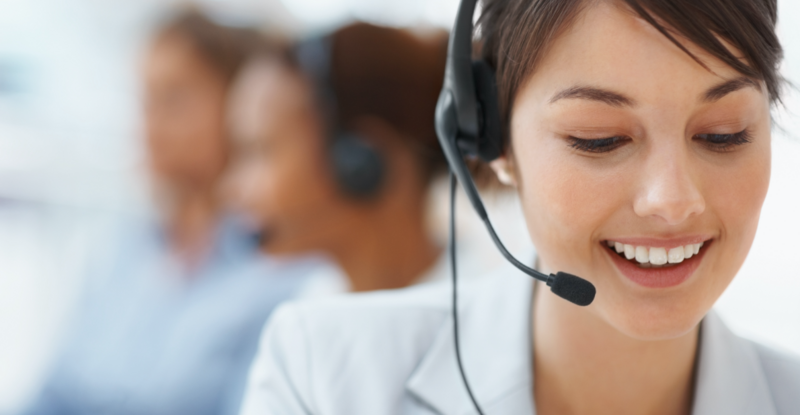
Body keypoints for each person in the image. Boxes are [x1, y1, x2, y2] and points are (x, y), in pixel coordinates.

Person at [239, 0, 800, 414]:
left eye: (724, 135)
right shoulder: (324, 377)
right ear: (492, 139)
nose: (673, 201)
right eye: (599, 139)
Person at [20, 10, 321, 415]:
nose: (149, 124)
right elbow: (55, 390)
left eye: (174, 99)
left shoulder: (282, 272)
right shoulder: (123, 246)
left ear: (240, 107)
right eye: (146, 100)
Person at [226, 23, 462, 296]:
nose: (229, 188)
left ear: (361, 161)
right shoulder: (310, 305)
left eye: (259, 152)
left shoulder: (493, 311)